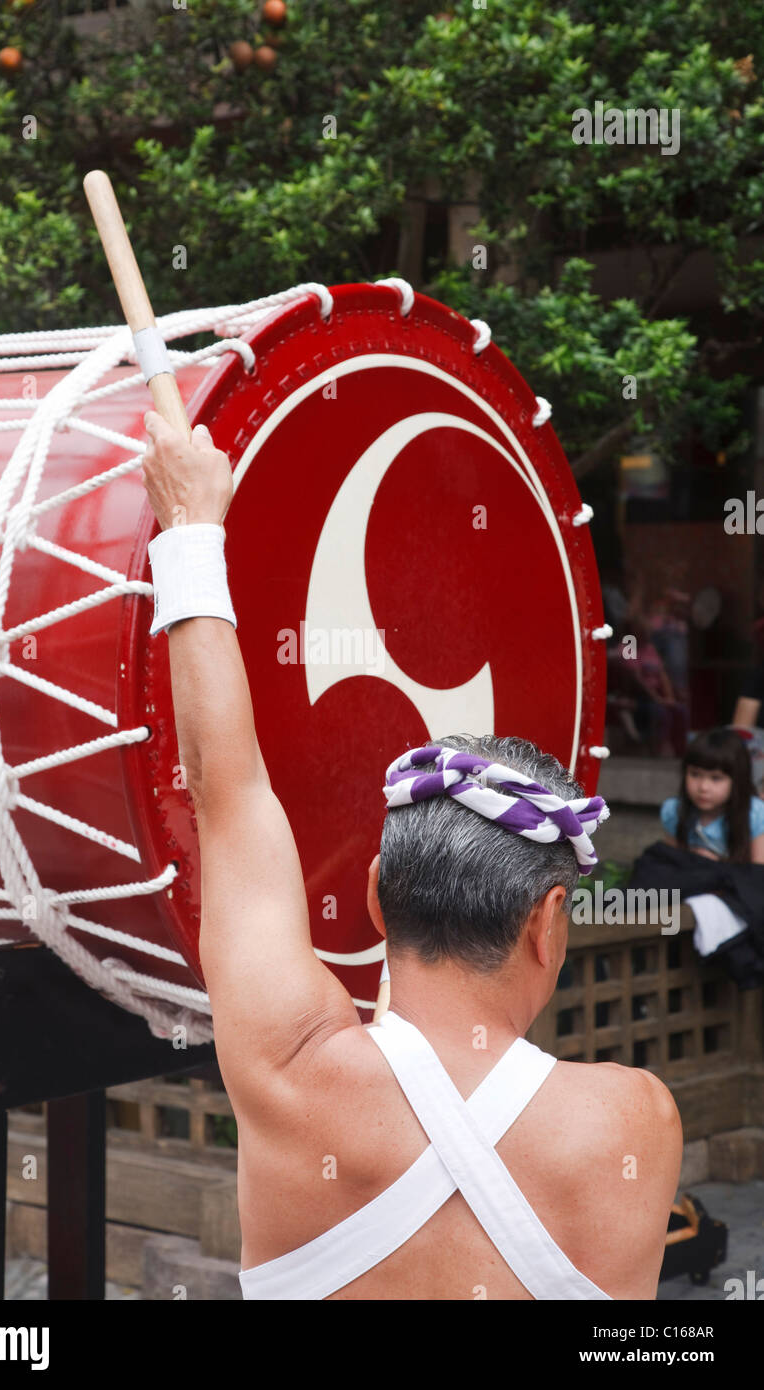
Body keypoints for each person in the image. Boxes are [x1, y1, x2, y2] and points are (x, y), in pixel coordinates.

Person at [140, 410, 683, 1301]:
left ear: (377, 900)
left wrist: (192, 530)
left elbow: (224, 790)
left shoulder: (291, 1071)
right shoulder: (633, 1123)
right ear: (548, 922)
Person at [660, 727, 764, 865]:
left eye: (716, 778)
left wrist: (717, 865)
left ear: (737, 780)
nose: (703, 787)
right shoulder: (675, 811)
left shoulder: (755, 814)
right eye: (695, 774)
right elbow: (669, 865)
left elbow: (758, 874)